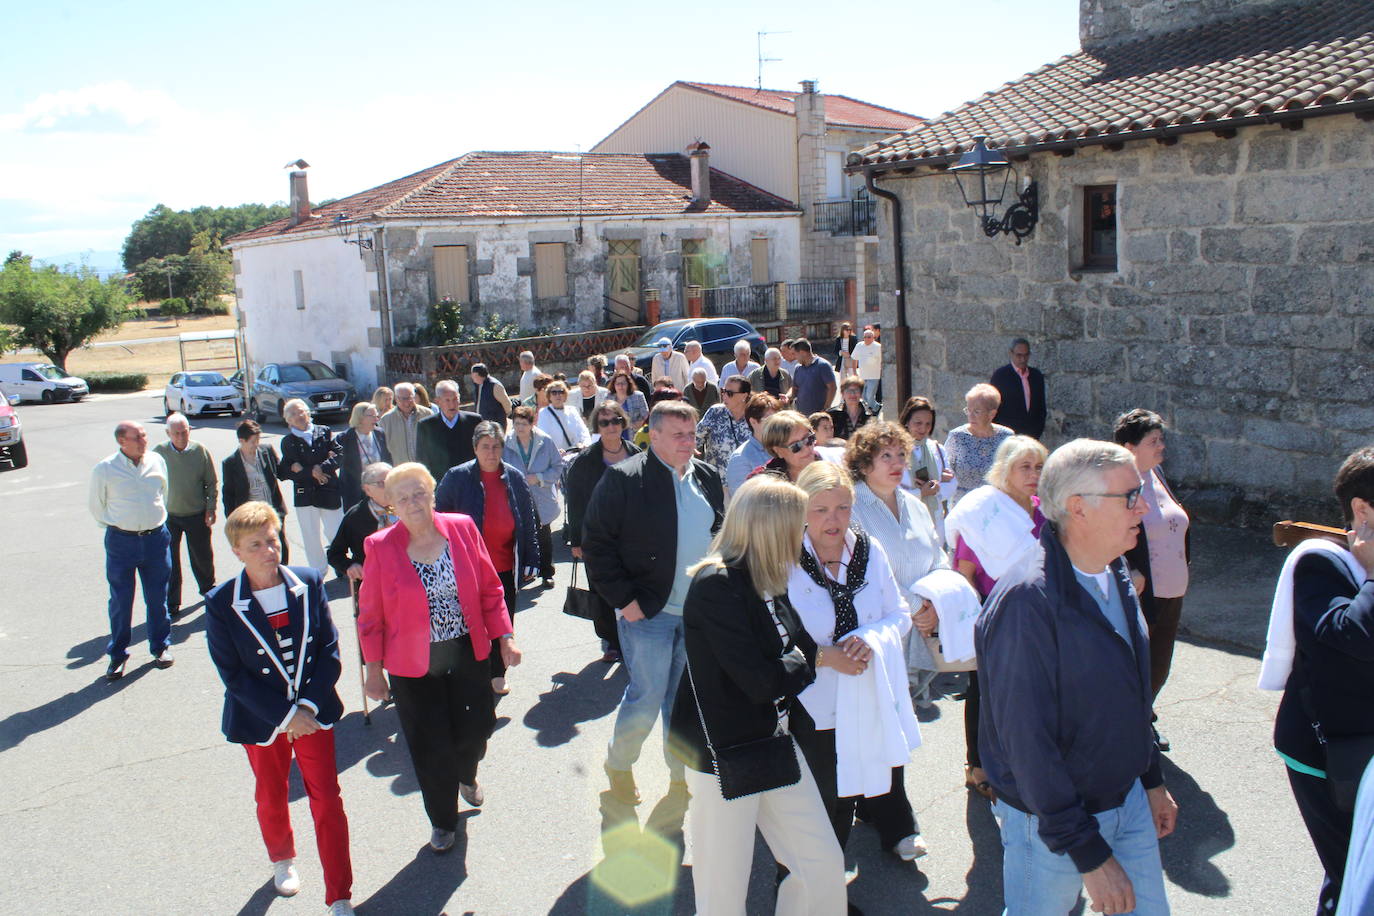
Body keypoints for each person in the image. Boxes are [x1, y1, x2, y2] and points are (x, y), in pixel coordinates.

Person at [978, 439, 1177, 916]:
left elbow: (1131, 691)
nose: (1144, 506)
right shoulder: (1026, 602)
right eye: (1129, 496)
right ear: (1077, 509)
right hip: (1050, 821)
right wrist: (1086, 850)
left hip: (1125, 798)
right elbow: (1026, 742)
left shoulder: (1116, 571)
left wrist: (1150, 778)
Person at [668, 475, 846, 915]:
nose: (802, 535)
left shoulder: (769, 577)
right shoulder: (717, 584)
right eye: (797, 524)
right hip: (721, 754)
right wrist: (806, 662)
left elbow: (799, 649)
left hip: (771, 740)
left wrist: (800, 661)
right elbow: (765, 680)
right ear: (770, 527)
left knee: (822, 862)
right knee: (723, 889)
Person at [358, 462, 521, 852]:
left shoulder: (462, 528)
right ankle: (443, 820)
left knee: (478, 726)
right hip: (412, 664)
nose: (413, 503)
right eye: (403, 498)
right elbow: (370, 616)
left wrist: (505, 638)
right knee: (430, 745)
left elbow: (489, 589)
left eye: (419, 493)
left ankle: (467, 772)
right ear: (392, 506)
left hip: (466, 649)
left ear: (433, 493)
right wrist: (374, 671)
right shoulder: (380, 547)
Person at [205, 502, 355, 916]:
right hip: (261, 718)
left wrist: (306, 706)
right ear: (236, 551)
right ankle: (282, 858)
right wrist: (285, 716)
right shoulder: (221, 602)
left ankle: (338, 892)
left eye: (272, 540)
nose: (269, 550)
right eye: (255, 545)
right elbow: (232, 674)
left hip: (313, 712)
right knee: (271, 795)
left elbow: (328, 649)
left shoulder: (308, 582)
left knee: (327, 798)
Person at [788, 461, 927, 882]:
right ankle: (814, 882)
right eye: (821, 510)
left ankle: (890, 831)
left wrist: (870, 638)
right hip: (816, 698)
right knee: (824, 792)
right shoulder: (785, 559)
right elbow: (772, 630)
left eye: (843, 508)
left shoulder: (869, 550)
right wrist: (824, 656)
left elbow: (897, 614)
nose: (834, 520)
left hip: (869, 687)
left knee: (872, 770)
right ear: (802, 512)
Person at [583, 400, 725, 804]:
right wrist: (625, 602)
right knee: (646, 699)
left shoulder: (707, 477)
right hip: (648, 613)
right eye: (678, 435)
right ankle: (619, 765)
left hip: (696, 612)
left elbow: (720, 534)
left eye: (692, 434)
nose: (688, 442)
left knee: (682, 701)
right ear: (653, 435)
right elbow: (597, 545)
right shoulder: (625, 480)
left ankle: (680, 776)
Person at [1260, 446, 1374, 914]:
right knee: (1354, 878)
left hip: (1362, 749)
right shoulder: (1320, 564)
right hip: (1328, 755)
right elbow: (1356, 636)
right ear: (1363, 511)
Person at [945, 435, 1047, 801]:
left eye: (1038, 466)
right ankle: (978, 766)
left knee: (1030, 696)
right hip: (993, 615)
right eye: (1025, 466)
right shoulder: (982, 512)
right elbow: (966, 574)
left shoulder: (1043, 509)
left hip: (1038, 617)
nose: (1033, 473)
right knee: (985, 694)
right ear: (1004, 470)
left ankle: (1022, 762)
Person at [847, 422, 948, 709]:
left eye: (901, 455)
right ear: (865, 465)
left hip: (921, 626)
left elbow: (938, 556)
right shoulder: (852, 507)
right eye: (886, 456)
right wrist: (916, 606)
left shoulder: (915, 504)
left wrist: (933, 602)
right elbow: (866, 572)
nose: (897, 463)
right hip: (878, 630)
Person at [435, 422, 541, 695]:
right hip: (467, 568)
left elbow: (528, 520)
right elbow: (439, 519)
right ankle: (469, 671)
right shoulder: (457, 477)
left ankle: (497, 672)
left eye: (496, 447)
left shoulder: (514, 477)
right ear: (475, 449)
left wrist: (532, 557)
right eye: (485, 447)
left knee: (502, 622)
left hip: (505, 565)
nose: (491, 453)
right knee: (469, 621)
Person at [1115, 409, 1190, 753]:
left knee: (1159, 663)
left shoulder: (1156, 474)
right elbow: (1112, 532)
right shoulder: (1120, 483)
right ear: (1130, 447)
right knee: (1137, 663)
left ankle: (1142, 715)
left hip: (1173, 587)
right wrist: (1129, 566)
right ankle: (1133, 726)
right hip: (1145, 591)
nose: (1162, 446)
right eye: (1153, 441)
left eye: (1162, 439)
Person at [89, 420, 174, 679]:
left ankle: (160, 647)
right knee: (121, 601)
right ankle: (117, 655)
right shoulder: (105, 469)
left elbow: (164, 493)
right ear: (121, 441)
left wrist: (152, 520)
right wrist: (121, 525)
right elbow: (97, 506)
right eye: (137, 437)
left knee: (158, 598)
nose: (143, 441)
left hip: (155, 539)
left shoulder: (156, 461)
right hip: (121, 542)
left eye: (144, 435)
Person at [564, 402, 640, 664]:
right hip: (597, 537)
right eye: (605, 422)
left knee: (633, 584)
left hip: (631, 535)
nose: (611, 426)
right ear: (597, 426)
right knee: (603, 589)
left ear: (623, 423)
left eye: (616, 420)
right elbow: (574, 502)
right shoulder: (585, 462)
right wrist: (576, 540)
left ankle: (635, 634)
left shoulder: (636, 453)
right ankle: (611, 640)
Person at [153, 412, 218, 618]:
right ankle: (172, 603)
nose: (182, 436)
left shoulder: (200, 451)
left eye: (185, 431)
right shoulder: (158, 453)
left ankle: (208, 590)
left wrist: (211, 507)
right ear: (168, 433)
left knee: (202, 556)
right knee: (170, 560)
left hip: (196, 513)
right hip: (169, 515)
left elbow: (211, 482)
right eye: (177, 433)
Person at [278, 399, 344, 576]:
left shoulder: (324, 432)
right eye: (292, 414)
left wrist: (321, 468)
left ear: (308, 412)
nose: (298, 416)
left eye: (301, 411)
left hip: (329, 489)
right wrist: (310, 472)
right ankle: (318, 572)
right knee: (311, 536)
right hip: (305, 495)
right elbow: (286, 470)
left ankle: (341, 564)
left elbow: (339, 455)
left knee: (336, 530)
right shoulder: (288, 442)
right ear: (288, 420)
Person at [505, 406, 562, 588]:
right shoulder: (506, 442)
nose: (519, 427)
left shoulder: (545, 441)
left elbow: (558, 466)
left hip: (541, 496)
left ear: (532, 424)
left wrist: (539, 478)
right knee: (520, 535)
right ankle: (525, 571)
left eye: (523, 423)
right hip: (518, 497)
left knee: (543, 535)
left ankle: (547, 572)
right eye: (516, 423)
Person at [223, 419, 291, 564]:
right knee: (257, 547)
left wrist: (293, 465)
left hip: (273, 510)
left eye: (258, 440)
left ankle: (284, 571)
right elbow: (228, 494)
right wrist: (232, 519)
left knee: (278, 542)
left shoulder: (266, 451)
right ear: (242, 440)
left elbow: (281, 472)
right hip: (251, 517)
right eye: (253, 442)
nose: (256, 445)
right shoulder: (230, 463)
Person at [898, 397, 957, 544]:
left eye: (928, 424)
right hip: (906, 520)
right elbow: (891, 491)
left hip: (935, 521)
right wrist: (920, 493)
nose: (923, 429)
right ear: (907, 422)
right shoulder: (895, 451)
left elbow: (952, 484)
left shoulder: (937, 449)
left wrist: (935, 489)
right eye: (918, 423)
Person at [945, 383, 1014, 503]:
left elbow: (1012, 473)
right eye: (968, 410)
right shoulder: (957, 437)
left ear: (992, 414)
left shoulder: (1006, 437)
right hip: (963, 504)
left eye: (976, 411)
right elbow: (945, 469)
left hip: (995, 504)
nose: (970, 416)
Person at [327, 462, 393, 582]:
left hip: (408, 579)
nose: (389, 487)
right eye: (381, 484)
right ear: (367, 489)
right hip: (373, 582)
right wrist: (350, 566)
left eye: (392, 481)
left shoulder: (407, 508)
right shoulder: (355, 516)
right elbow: (334, 554)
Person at [415, 379, 481, 483]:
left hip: (469, 482)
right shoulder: (426, 426)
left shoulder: (474, 421)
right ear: (438, 401)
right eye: (447, 400)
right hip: (440, 485)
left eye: (455, 399)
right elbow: (422, 460)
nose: (452, 404)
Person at [337, 402, 392, 511]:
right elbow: (343, 465)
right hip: (356, 491)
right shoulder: (345, 438)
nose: (376, 419)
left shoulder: (380, 433)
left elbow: (387, 459)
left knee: (386, 520)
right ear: (360, 418)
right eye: (371, 416)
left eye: (376, 416)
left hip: (381, 489)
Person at [695, 376, 752, 482]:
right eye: (723, 391)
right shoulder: (715, 412)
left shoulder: (755, 418)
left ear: (744, 396)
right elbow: (696, 438)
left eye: (729, 393)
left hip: (744, 485)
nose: (724, 396)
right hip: (716, 484)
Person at [989, 337, 1047, 440]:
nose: (1023, 359)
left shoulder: (1036, 376)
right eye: (1019, 355)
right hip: (1007, 437)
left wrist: (1037, 431)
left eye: (1026, 355)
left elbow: (1041, 407)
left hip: (1031, 436)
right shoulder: (1000, 376)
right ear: (1011, 353)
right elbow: (993, 407)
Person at [726, 393, 780, 494]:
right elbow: (741, 501)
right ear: (753, 422)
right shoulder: (740, 458)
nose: (776, 424)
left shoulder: (783, 449)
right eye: (770, 420)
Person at [754, 411, 825, 483]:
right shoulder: (762, 482)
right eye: (796, 446)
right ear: (778, 451)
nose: (806, 448)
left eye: (809, 439)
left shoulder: (822, 463)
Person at [378, 382, 432, 467]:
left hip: (425, 469)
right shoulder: (385, 420)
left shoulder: (427, 414)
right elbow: (382, 451)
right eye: (403, 399)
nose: (407, 403)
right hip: (400, 472)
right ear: (396, 398)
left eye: (410, 398)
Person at [538, 380, 592, 452]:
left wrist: (586, 443)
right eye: (554, 393)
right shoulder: (544, 413)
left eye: (561, 392)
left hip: (576, 453)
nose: (558, 395)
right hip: (557, 456)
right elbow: (543, 437)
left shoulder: (572, 410)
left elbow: (583, 430)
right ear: (549, 396)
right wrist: (555, 451)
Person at [790, 339, 837, 417]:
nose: (794, 357)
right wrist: (788, 397)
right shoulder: (798, 368)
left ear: (802, 352)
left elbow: (832, 388)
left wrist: (826, 408)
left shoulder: (823, 365)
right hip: (802, 416)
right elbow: (795, 389)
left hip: (818, 416)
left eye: (795, 354)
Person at [827, 376, 877, 442]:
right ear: (842, 394)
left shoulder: (870, 416)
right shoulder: (832, 415)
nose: (852, 394)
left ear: (861, 394)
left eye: (856, 390)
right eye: (849, 390)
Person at [850, 327, 882, 412]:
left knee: (869, 395)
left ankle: (874, 409)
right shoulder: (859, 345)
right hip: (862, 375)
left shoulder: (878, 347)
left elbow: (883, 361)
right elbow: (854, 358)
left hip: (874, 375)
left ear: (873, 338)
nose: (867, 339)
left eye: (869, 337)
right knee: (863, 396)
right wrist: (854, 372)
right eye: (865, 337)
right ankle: (876, 407)